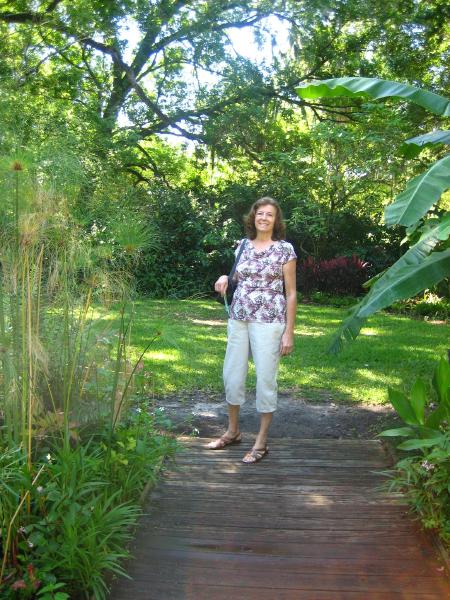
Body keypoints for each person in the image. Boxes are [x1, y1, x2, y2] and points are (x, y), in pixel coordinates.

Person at [208, 197, 297, 463]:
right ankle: (233, 431)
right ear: (253, 217)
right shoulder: (243, 246)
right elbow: (237, 277)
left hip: (269, 321)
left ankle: (261, 441)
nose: (264, 218)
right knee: (232, 375)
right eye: (260, 213)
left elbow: (291, 293)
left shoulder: (285, 250)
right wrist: (224, 277)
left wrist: (289, 332)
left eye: (269, 214)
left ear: (276, 220)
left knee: (266, 379)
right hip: (239, 318)